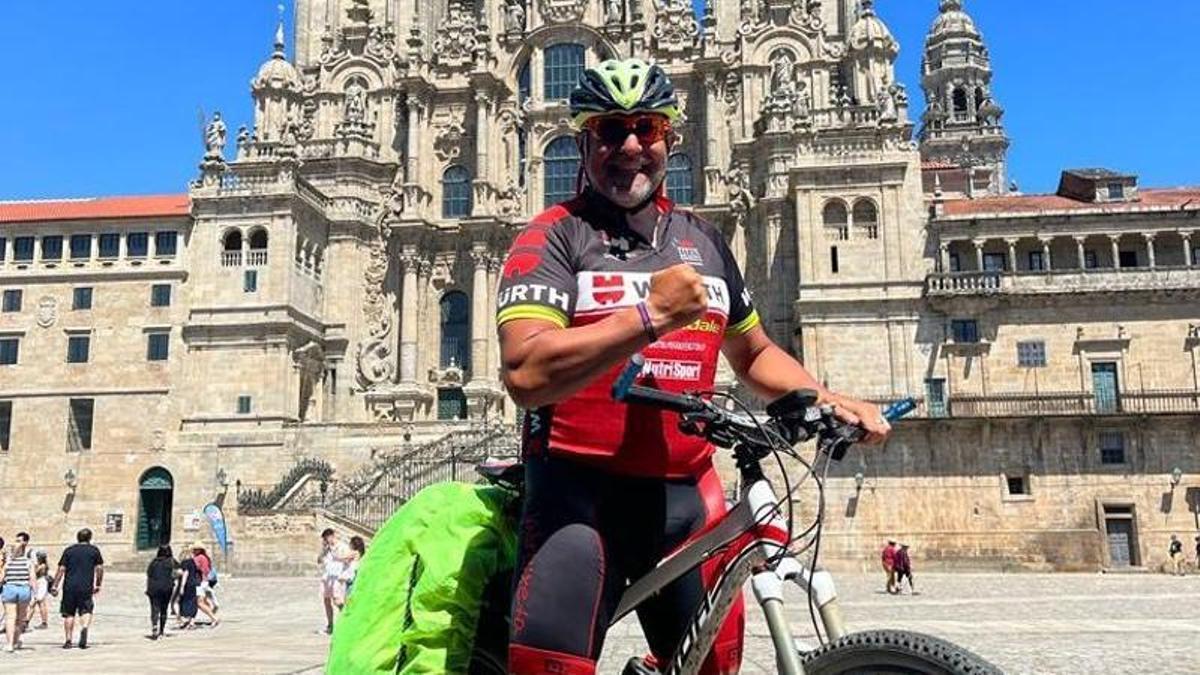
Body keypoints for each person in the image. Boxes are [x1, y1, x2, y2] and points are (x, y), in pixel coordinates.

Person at [496, 57, 890, 674]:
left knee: (714, 667)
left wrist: (826, 397)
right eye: (610, 130)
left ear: (669, 139)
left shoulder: (704, 242)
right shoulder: (552, 237)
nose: (630, 146)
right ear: (584, 140)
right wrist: (648, 316)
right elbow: (525, 374)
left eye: (646, 129)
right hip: (576, 495)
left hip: (688, 499)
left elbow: (753, 352)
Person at [53, 528, 103, 649]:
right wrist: (98, 583)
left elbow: (61, 569)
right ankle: (85, 628)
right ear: (90, 538)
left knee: (69, 613)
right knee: (86, 609)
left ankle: (68, 640)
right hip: (86, 586)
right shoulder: (94, 550)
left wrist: (55, 585)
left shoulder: (69, 550)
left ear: (77, 537)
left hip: (69, 586)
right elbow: (100, 568)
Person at [1, 532, 33, 652]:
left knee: (10, 617)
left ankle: (9, 644)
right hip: (24, 589)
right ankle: (15, 641)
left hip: (9, 588)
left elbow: (2, 577)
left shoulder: (8, 562)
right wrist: (34, 594)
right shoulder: (28, 562)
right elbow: (32, 578)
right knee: (20, 618)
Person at [319, 528, 348, 634]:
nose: (326, 541)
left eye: (327, 539)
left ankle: (346, 619)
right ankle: (330, 625)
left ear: (331, 536)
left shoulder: (342, 546)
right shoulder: (326, 549)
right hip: (327, 576)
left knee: (337, 600)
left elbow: (348, 559)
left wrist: (339, 557)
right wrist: (323, 551)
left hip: (337, 576)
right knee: (326, 600)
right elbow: (319, 561)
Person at [145, 545, 177, 639]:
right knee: (164, 609)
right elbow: (180, 571)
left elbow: (149, 574)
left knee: (154, 608)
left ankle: (155, 626)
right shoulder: (171, 561)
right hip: (166, 588)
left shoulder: (153, 562)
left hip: (153, 588)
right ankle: (161, 631)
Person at [189, 543, 219, 627]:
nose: (193, 551)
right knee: (204, 601)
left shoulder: (198, 558)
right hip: (205, 581)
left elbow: (195, 568)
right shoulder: (206, 558)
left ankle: (214, 618)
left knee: (199, 603)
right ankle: (192, 620)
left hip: (200, 582)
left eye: (195, 550)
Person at [175, 550, 199, 630]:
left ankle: (184, 620)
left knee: (184, 602)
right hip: (193, 584)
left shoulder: (185, 563)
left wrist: (182, 586)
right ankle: (191, 622)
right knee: (193, 602)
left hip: (187, 585)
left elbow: (185, 574)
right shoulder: (193, 562)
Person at [31, 550, 50, 630]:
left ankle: (44, 622)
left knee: (40, 602)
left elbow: (35, 572)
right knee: (40, 602)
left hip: (41, 583)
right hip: (39, 583)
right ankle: (43, 621)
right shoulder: (43, 565)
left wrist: (33, 565)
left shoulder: (42, 565)